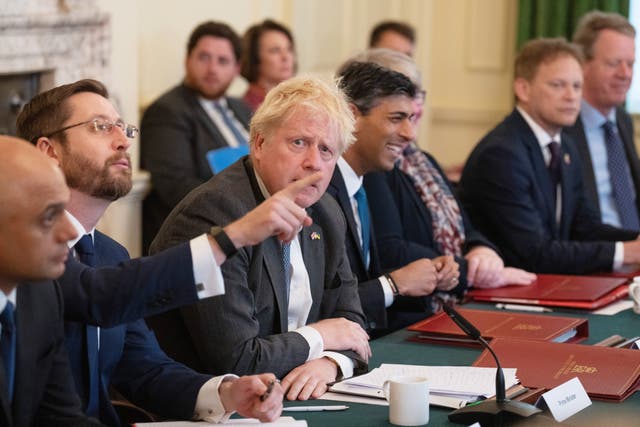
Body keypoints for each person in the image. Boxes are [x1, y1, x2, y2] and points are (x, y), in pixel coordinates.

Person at [16, 79, 286, 426]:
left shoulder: (110, 253)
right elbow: (96, 295)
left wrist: (225, 394)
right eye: (101, 127)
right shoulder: (19, 252)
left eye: (124, 127)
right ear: (49, 150)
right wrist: (232, 236)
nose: (123, 140)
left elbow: (145, 370)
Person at [148, 76, 371, 401]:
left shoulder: (325, 211)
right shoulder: (215, 214)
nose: (314, 163)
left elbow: (352, 324)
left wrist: (330, 362)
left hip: (288, 398)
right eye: (299, 142)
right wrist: (321, 337)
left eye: (326, 150)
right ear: (259, 143)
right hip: (206, 411)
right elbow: (236, 359)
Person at [352, 50, 535, 301]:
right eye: (397, 99)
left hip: (454, 295)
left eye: (416, 95)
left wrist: (482, 250)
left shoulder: (422, 159)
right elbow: (391, 250)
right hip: (414, 309)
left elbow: (464, 226)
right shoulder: (371, 166)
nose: (413, 107)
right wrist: (467, 271)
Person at [459, 38, 640, 275]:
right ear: (523, 89)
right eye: (557, 85)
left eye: (577, 86)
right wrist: (624, 252)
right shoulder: (501, 154)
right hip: (509, 292)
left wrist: (634, 240)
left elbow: (584, 226)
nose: (571, 96)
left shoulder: (565, 145)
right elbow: (534, 253)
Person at [328, 59, 458, 335]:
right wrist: (393, 285)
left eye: (411, 119)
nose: (410, 134)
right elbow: (314, 305)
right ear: (351, 118)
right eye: (396, 118)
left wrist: (429, 272)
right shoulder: (318, 191)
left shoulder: (361, 184)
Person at [0, 136, 106, 427]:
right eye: (49, 217)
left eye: (63, 210)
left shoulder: (41, 295)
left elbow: (61, 418)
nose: (66, 233)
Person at [141, 21, 252, 252]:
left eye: (223, 61)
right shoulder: (167, 111)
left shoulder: (241, 108)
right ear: (187, 60)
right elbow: (176, 187)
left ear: (236, 68)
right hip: (203, 237)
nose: (212, 69)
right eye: (204, 57)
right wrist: (250, 209)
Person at [565, 11, 640, 231]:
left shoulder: (622, 121)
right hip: (597, 254)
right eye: (614, 63)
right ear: (583, 64)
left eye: (630, 64)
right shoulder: (562, 125)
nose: (625, 74)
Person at [240, 19, 296, 112]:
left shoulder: (295, 102)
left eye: (289, 49)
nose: (286, 57)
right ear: (254, 58)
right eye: (275, 50)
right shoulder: (246, 108)